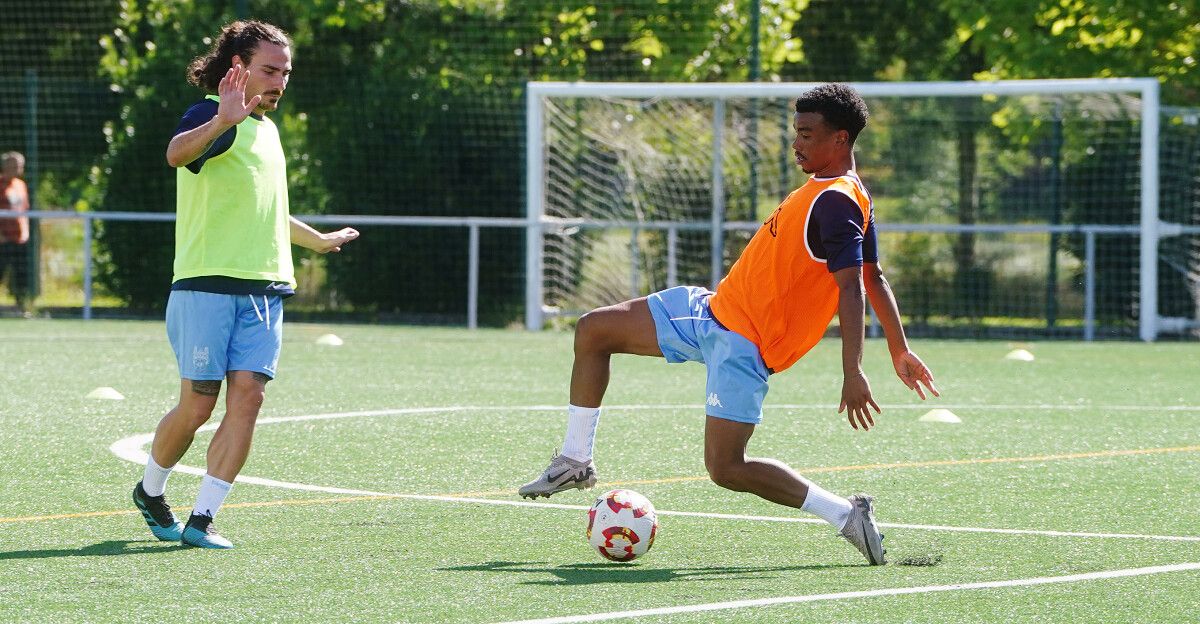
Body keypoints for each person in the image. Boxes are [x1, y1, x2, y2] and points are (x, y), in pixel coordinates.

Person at [518, 83, 939, 565]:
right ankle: (575, 460)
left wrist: (854, 369)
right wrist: (899, 348)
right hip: (710, 311)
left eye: (806, 133)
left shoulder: (838, 202)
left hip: (743, 345)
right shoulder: (834, 191)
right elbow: (875, 273)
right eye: (794, 132)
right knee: (594, 330)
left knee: (725, 467)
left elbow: (856, 284)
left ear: (841, 138)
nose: (796, 143)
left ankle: (846, 515)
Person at [131, 20, 359, 550]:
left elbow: (269, 212)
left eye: (285, 71)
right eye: (269, 70)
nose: (279, 81)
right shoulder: (212, 114)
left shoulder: (269, 131)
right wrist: (221, 120)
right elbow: (175, 154)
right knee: (197, 406)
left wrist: (318, 242)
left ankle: (203, 518)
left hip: (265, 290)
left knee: (249, 398)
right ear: (238, 67)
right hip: (205, 286)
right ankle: (150, 490)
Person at [0, 151, 31, 313]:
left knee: (21, 275)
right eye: (12, 165)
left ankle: (22, 308)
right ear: (4, 166)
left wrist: (25, 233)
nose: (16, 169)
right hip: (3, 240)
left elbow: (24, 211)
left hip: (20, 239)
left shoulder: (20, 185)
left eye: (19, 166)